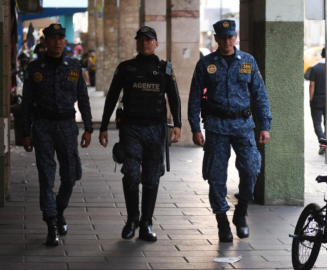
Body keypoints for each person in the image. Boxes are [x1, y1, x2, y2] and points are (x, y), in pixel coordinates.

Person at [188, 19, 272, 242]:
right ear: (216, 38)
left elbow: (260, 95)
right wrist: (195, 128)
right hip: (216, 127)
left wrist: (265, 125)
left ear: (235, 37)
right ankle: (222, 222)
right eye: (223, 37)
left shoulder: (248, 61)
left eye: (231, 36)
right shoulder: (205, 64)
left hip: (244, 126)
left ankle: (241, 211)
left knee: (252, 168)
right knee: (216, 177)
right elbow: (195, 97)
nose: (227, 40)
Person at [98, 26, 181, 241]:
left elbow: (174, 98)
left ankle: (146, 223)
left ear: (156, 43)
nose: (144, 43)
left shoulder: (165, 69)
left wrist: (178, 124)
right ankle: (132, 219)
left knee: (152, 177)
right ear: (136, 43)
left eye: (149, 40)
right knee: (132, 173)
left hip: (156, 129)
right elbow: (112, 96)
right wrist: (103, 126)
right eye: (141, 39)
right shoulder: (126, 68)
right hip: (131, 129)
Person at [21, 23, 93, 246]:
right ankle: (51, 223)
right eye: (52, 37)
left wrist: (89, 128)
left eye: (60, 37)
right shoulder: (34, 68)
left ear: (65, 41)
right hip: (42, 126)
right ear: (45, 41)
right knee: (46, 175)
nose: (57, 41)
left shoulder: (74, 66)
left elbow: (83, 98)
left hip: (66, 125)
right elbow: (26, 105)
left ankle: (59, 209)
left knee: (71, 175)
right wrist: (25, 132)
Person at [308, 47, 327, 155]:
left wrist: (311, 99)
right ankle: (326, 143)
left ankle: (322, 142)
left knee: (317, 122)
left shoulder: (315, 68)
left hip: (317, 98)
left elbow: (312, 85)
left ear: (321, 54)